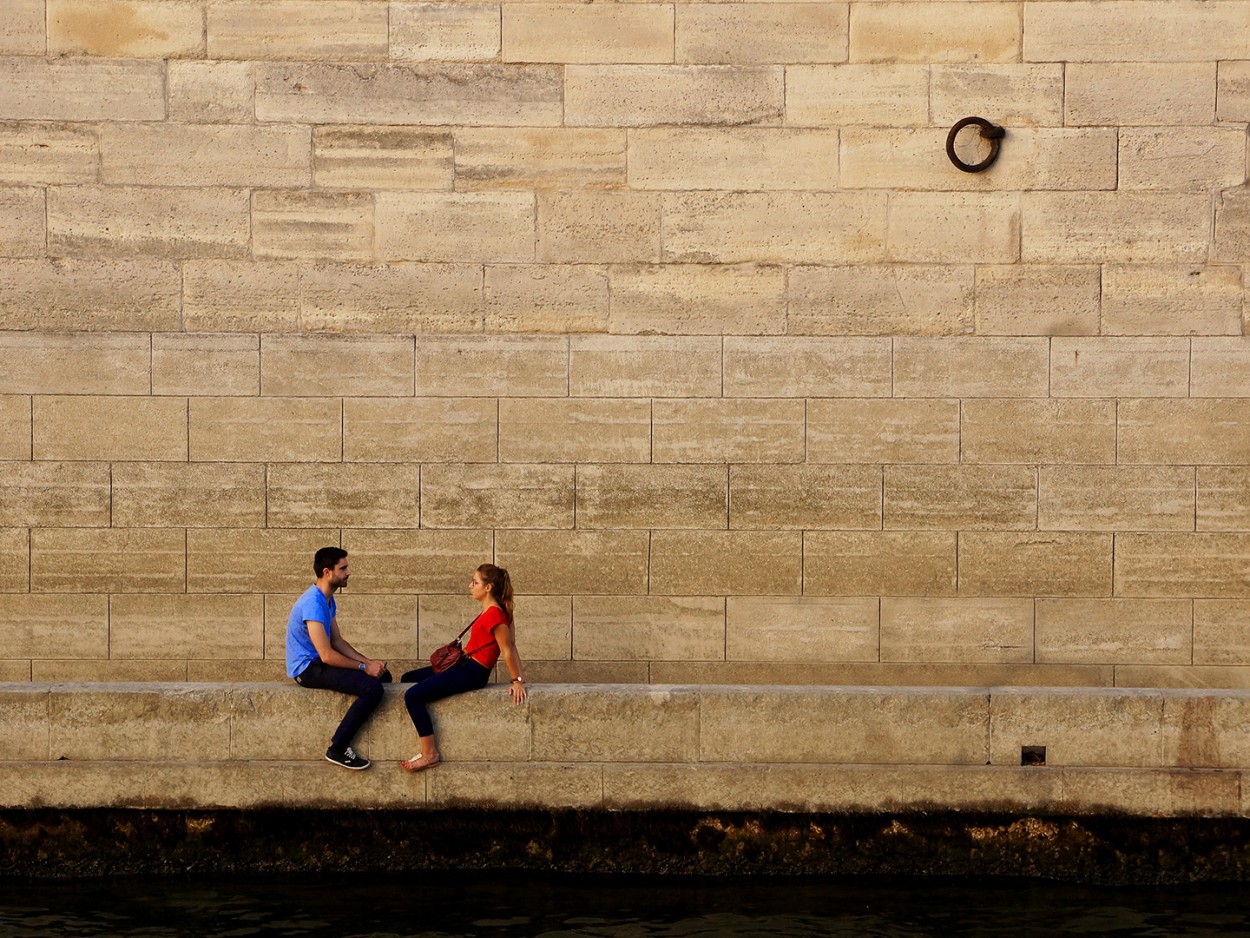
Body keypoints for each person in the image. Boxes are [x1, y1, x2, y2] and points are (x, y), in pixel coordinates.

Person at [399, 563, 527, 772]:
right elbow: (512, 646)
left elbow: (508, 649)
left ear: (488, 587)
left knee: (412, 696)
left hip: (472, 672)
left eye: (475, 582)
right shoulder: (497, 611)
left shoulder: (495, 614)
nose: (470, 585)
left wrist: (517, 681)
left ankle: (429, 754)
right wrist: (520, 677)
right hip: (463, 665)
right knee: (407, 679)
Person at [286, 546, 391, 770]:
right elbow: (326, 655)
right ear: (327, 572)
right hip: (308, 670)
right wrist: (363, 667)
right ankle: (338, 748)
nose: (348, 572)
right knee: (373, 690)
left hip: (321, 662)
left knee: (384, 676)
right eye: (343, 568)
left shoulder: (327, 600)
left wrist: (370, 663)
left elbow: (338, 642)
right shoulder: (313, 604)